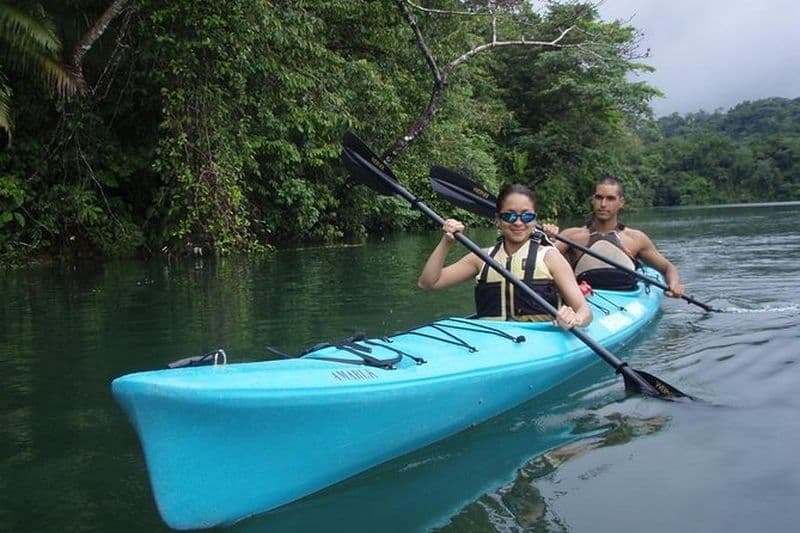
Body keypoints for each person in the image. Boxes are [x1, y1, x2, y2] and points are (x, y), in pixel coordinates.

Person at [418, 184, 592, 330]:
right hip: (492, 341)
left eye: (526, 216)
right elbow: (428, 283)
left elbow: (585, 312)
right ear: (498, 219)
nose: (518, 222)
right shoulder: (481, 258)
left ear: (534, 220)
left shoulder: (550, 257)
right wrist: (446, 242)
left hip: (539, 340)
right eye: (509, 216)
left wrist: (574, 319)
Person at [543, 176, 685, 296]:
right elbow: (540, 260)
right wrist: (548, 239)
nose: (603, 204)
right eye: (599, 198)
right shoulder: (571, 236)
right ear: (593, 200)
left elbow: (668, 268)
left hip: (626, 297)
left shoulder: (635, 239)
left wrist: (674, 284)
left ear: (621, 202)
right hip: (585, 297)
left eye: (610, 198)